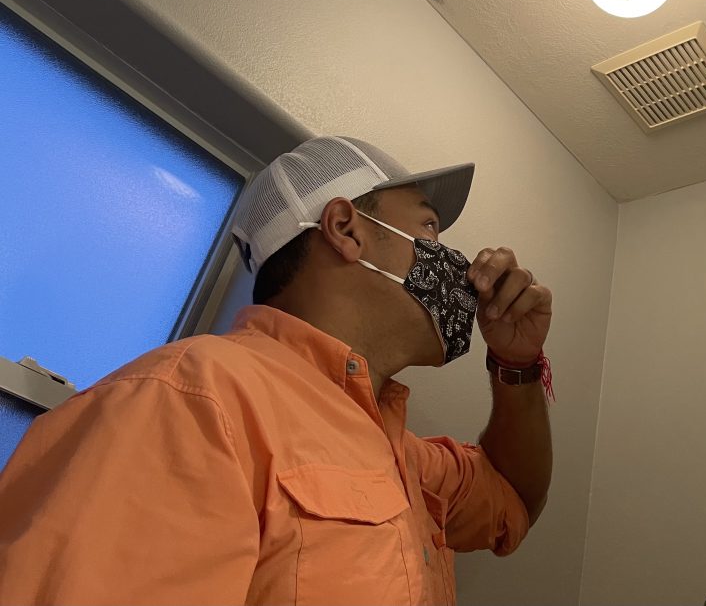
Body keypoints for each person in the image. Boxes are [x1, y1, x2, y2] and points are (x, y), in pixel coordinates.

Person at [0, 136, 554, 605]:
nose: (457, 265)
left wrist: (516, 363)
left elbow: (512, 500)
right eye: (430, 228)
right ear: (346, 228)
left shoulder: (401, 457)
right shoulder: (186, 402)